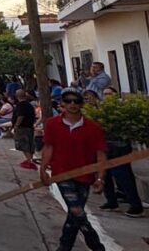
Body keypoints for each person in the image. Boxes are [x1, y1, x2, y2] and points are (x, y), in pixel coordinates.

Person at [40, 87, 107, 251]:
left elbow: (101, 154)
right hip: (62, 174)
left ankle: (64, 246)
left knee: (74, 214)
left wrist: (100, 178)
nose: (72, 104)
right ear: (62, 104)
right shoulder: (52, 124)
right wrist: (43, 169)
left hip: (85, 175)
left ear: (81, 104)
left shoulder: (93, 128)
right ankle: (96, 246)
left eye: (76, 101)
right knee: (77, 209)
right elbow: (48, 147)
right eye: (68, 101)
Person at [98, 87, 144, 218]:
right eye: (105, 94)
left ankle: (136, 206)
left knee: (124, 177)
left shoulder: (121, 110)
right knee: (106, 176)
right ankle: (111, 202)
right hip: (106, 149)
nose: (107, 96)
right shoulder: (101, 110)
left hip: (120, 149)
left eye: (109, 94)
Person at [12, 89, 37, 169]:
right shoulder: (29, 105)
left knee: (24, 144)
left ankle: (29, 160)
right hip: (29, 126)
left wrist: (16, 125)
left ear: (17, 96)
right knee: (29, 144)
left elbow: (20, 116)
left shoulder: (20, 105)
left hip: (23, 127)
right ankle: (30, 159)